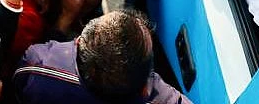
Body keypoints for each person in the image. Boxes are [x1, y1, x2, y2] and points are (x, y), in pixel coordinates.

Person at [15, 10, 192, 104]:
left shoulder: (35, 66)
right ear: (144, 89)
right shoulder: (161, 99)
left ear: (77, 42)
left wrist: (64, 19)